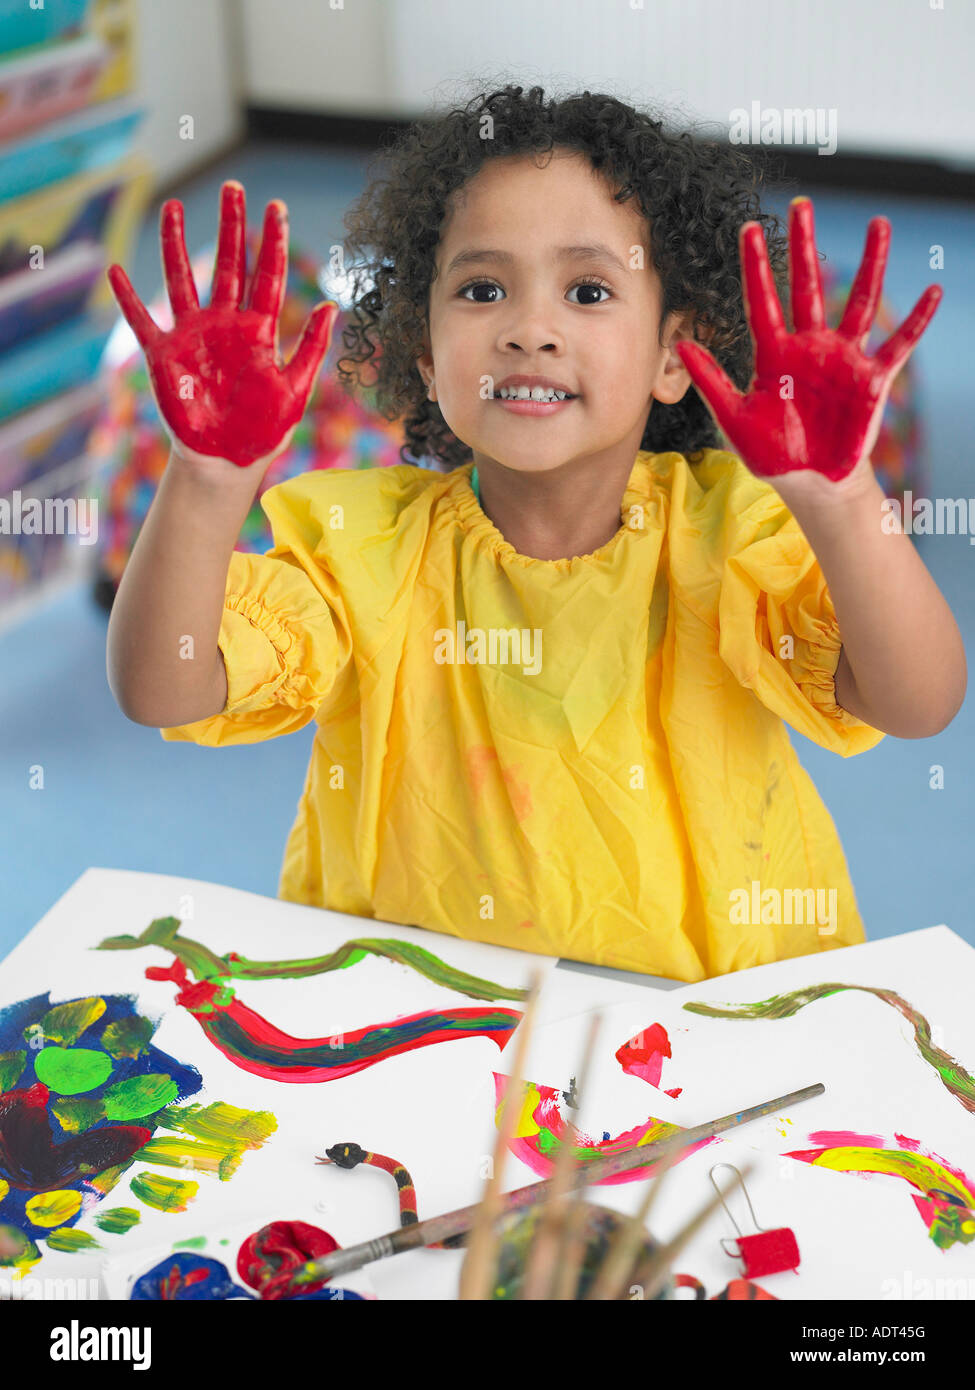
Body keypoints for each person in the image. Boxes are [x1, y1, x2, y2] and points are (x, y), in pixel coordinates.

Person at [105, 85, 965, 982]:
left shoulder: (731, 535)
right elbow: (162, 691)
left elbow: (918, 702)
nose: (530, 330)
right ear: (427, 356)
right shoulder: (357, 548)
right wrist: (206, 481)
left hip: (697, 1021)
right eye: (482, 289)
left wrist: (840, 497)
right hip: (417, 1022)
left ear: (676, 354)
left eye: (588, 290)